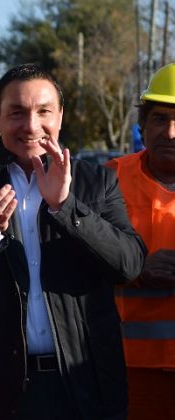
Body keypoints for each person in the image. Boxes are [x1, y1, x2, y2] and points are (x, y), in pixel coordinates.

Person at [0, 63, 146, 419]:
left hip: (87, 380)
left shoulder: (97, 182)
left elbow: (129, 264)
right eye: (16, 113)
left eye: (43, 111)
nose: (31, 126)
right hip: (8, 390)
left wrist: (66, 208)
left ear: (59, 116)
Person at [106, 63, 175, 420]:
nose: (171, 132)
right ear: (143, 126)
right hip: (129, 369)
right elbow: (78, 261)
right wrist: (136, 269)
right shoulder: (111, 179)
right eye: (160, 119)